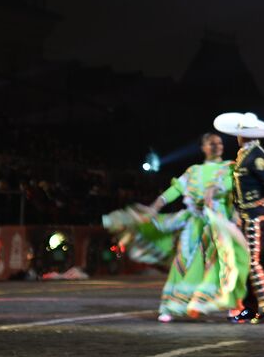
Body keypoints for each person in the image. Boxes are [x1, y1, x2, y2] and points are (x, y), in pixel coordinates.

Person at [103, 132, 249, 321]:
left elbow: (234, 187)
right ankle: (171, 306)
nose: (216, 146)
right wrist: (154, 207)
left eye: (219, 143)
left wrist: (219, 193)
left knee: (225, 263)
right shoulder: (193, 171)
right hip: (195, 224)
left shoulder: (229, 168)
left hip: (219, 224)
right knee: (185, 261)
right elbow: (175, 190)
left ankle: (230, 305)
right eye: (211, 143)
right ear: (203, 148)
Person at [215, 112, 264, 323]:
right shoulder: (246, 153)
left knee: (252, 262)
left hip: (256, 215)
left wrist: (263, 205)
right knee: (246, 261)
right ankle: (251, 307)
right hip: (248, 214)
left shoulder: (256, 155)